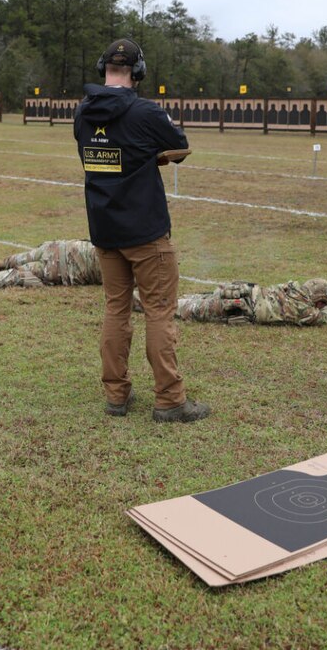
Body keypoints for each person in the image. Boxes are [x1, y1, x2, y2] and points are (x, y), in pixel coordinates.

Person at [74, 38, 207, 423]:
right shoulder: (146, 111)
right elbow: (179, 145)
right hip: (146, 231)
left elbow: (93, 157)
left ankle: (116, 395)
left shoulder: (83, 113)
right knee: (159, 313)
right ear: (138, 72)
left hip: (104, 228)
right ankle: (170, 399)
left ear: (105, 70)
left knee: (116, 310)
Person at [136, 278, 327, 326]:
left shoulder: (292, 289)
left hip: (237, 294)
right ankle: (132, 300)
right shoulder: (304, 310)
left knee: (183, 301)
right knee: (177, 307)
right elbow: (324, 318)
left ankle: (136, 297)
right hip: (234, 307)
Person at [0, 239, 100, 289]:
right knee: (13, 276)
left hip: (60, 247)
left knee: (25, 256)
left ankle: (2, 262)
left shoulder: (114, 245)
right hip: (62, 269)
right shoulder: (117, 268)